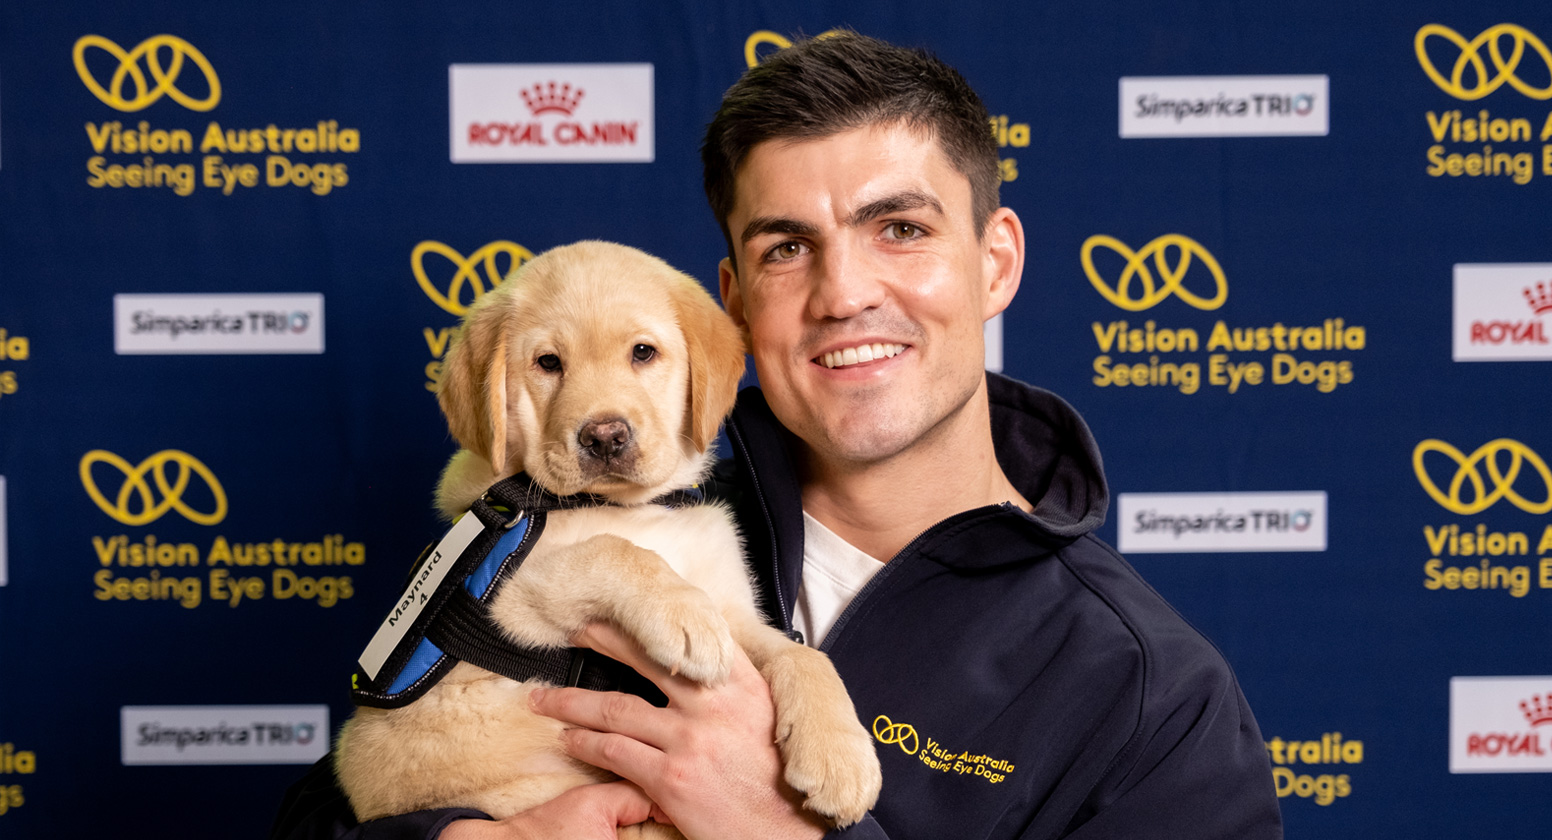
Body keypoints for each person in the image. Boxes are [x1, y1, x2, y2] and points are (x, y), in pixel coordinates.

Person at [273, 32, 1283, 840]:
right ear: (733, 303)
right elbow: (328, 806)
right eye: (788, 248)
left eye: (900, 228)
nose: (845, 294)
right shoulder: (590, 507)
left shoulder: (1147, 699)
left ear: (995, 260)